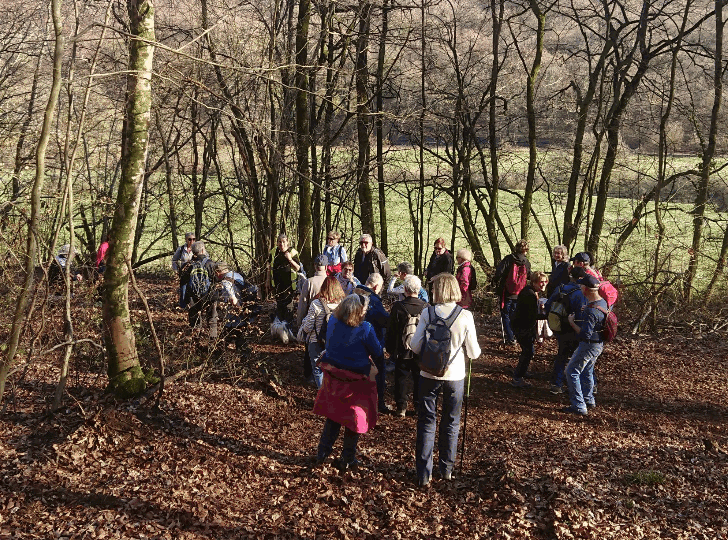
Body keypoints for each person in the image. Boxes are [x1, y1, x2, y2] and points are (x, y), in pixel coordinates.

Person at [410, 273, 481, 487]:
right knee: (451, 421)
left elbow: (415, 346)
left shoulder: (427, 312)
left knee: (426, 421)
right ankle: (446, 469)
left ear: (438, 290)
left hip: (428, 373)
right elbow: (474, 352)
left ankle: (424, 474)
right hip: (455, 375)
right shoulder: (465, 316)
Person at [313, 294, 382, 471]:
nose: (366, 312)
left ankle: (322, 453)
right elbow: (377, 352)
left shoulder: (332, 321)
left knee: (333, 416)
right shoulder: (365, 328)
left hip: (333, 376)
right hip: (356, 380)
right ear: (359, 311)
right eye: (365, 309)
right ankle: (348, 457)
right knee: (354, 419)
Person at [562, 274, 607, 415]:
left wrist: (571, 322)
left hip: (588, 346)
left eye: (582, 285)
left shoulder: (591, 311)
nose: (580, 287)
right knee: (587, 370)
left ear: (586, 289)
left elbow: (584, 335)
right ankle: (589, 399)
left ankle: (579, 406)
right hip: (598, 344)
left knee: (571, 372)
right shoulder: (602, 303)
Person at [386, 275, 427, 417]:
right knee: (419, 378)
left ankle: (401, 407)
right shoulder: (426, 307)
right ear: (419, 289)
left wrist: (390, 348)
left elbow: (391, 329)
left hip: (402, 349)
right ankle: (418, 406)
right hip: (420, 350)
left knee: (401, 378)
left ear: (405, 289)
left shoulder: (398, 307)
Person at [543, 266, 588, 394]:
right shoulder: (581, 293)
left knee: (561, 355)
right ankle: (581, 386)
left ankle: (556, 384)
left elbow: (548, 305)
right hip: (573, 328)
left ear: (570, 276)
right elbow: (581, 314)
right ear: (581, 278)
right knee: (579, 357)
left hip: (560, 327)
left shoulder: (560, 288)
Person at [297, 276, 346, 388]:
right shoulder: (342, 305)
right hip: (336, 342)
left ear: (323, 288)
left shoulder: (316, 304)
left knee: (317, 369)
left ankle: (322, 392)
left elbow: (308, 327)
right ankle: (333, 391)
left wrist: (302, 327)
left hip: (316, 341)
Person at [355, 273, 391, 413]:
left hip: (353, 340)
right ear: (376, 287)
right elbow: (382, 320)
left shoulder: (353, 293)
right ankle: (378, 402)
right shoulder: (373, 300)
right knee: (378, 372)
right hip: (371, 340)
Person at [510, 271, 549, 388]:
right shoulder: (529, 295)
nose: (543, 284)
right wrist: (548, 315)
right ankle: (517, 378)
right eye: (541, 282)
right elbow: (531, 316)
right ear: (534, 282)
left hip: (524, 326)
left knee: (528, 351)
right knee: (528, 352)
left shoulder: (531, 292)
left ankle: (522, 371)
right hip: (522, 327)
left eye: (545, 282)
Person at [492, 239, 531, 345]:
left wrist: (495, 281)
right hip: (519, 293)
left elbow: (499, 272)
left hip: (507, 292)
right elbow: (529, 276)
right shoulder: (526, 262)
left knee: (505, 314)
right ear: (526, 250)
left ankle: (510, 337)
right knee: (514, 314)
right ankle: (514, 335)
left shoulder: (509, 259)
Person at [181, 241, 219, 337]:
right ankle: (213, 340)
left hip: (194, 296)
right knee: (212, 318)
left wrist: (184, 299)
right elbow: (216, 280)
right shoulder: (211, 264)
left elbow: (183, 281)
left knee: (195, 319)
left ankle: (196, 340)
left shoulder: (189, 265)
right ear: (202, 250)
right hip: (209, 295)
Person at [268, 233, 301, 323]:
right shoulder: (273, 252)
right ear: (277, 243)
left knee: (288, 307)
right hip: (277, 284)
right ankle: (280, 326)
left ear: (287, 242)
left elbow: (298, 268)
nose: (281, 244)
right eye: (279, 242)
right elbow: (269, 267)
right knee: (279, 305)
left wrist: (290, 259)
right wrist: (268, 281)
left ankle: (288, 326)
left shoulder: (292, 252)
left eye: (283, 242)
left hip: (289, 285)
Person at [171, 232, 195, 308]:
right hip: (184, 273)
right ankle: (182, 307)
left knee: (193, 289)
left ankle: (193, 307)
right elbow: (174, 260)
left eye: (193, 239)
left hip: (194, 273)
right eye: (190, 239)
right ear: (186, 240)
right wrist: (176, 270)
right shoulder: (181, 249)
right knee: (183, 290)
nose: (192, 241)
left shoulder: (197, 248)